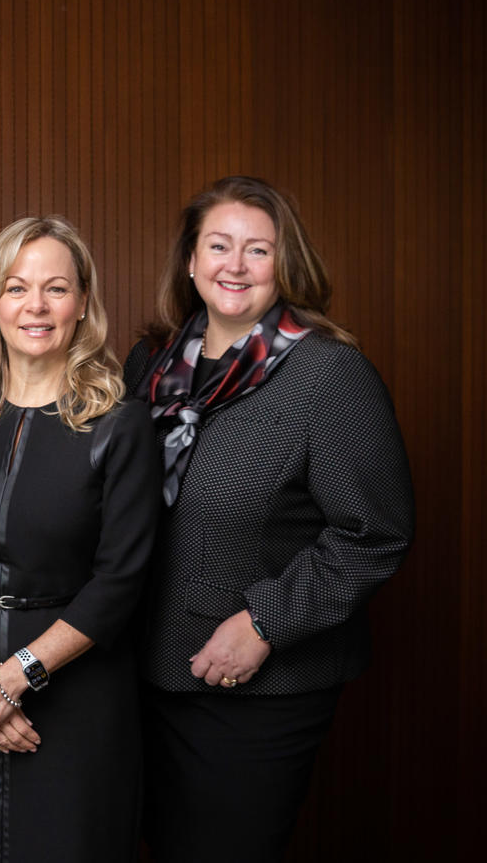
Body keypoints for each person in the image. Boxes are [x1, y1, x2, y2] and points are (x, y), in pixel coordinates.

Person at [123, 176, 413, 862]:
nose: (235, 265)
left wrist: (264, 623)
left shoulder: (330, 374)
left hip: (255, 689)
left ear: (285, 266)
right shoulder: (151, 364)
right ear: (190, 261)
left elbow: (373, 534)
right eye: (218, 245)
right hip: (140, 671)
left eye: (258, 250)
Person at [0, 217, 161, 862]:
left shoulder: (119, 423)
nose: (36, 307)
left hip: (75, 694)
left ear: (82, 305)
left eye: (56, 289)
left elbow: (121, 581)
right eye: (17, 288)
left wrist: (17, 676)